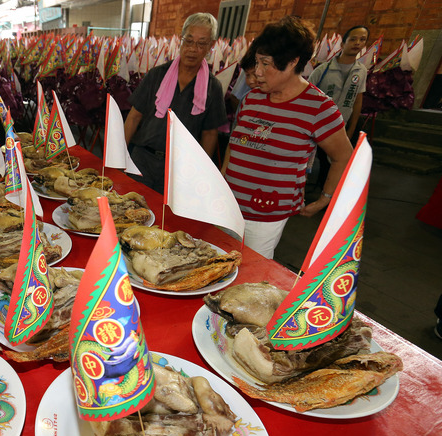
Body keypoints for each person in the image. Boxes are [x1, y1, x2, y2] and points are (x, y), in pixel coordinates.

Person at [222, 16, 353, 259]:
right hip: (226, 205)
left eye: (266, 64)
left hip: (265, 215)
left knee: (252, 271)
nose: (257, 72)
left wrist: (326, 198)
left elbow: (344, 157)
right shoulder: (252, 98)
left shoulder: (318, 107)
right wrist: (221, 180)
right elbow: (235, 144)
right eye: (257, 62)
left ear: (292, 62)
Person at [124, 12, 227, 194]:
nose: (193, 49)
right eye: (188, 41)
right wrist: (117, 155)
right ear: (181, 40)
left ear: (210, 47)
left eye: (201, 43)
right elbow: (133, 117)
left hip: (181, 168)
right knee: (131, 211)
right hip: (143, 159)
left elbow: (210, 134)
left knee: (168, 219)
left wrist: (200, 172)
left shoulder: (213, 87)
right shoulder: (156, 75)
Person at [308, 25, 369, 189]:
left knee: (340, 162)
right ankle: (322, 190)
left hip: (344, 123)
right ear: (343, 44)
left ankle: (328, 194)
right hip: (321, 125)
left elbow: (357, 100)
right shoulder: (323, 70)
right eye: (353, 39)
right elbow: (306, 97)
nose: (357, 43)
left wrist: (352, 128)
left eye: (362, 40)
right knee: (324, 162)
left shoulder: (361, 71)